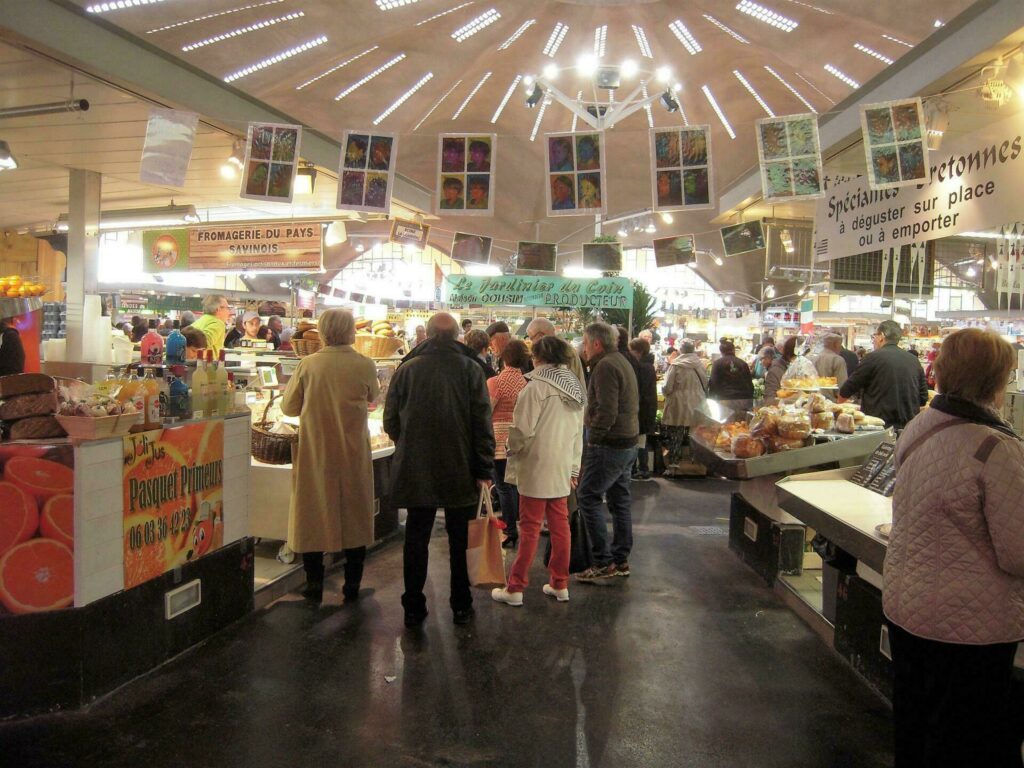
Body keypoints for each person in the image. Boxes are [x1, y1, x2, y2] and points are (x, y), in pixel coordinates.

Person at [883, 328, 1024, 767]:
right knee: (969, 741)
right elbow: (1017, 552)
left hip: (908, 608)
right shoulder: (995, 448)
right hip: (969, 626)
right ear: (995, 380)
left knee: (916, 727)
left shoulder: (919, 426)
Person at [384, 312, 495, 627]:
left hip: (416, 467)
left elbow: (390, 421)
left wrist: (409, 442)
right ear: (459, 335)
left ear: (428, 335)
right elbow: (481, 424)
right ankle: (461, 603)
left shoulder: (406, 369)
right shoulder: (471, 369)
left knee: (416, 537)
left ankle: (413, 606)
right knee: (460, 538)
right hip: (460, 466)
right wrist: (484, 467)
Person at [280, 309, 379, 604]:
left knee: (313, 515)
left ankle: (314, 585)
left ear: (322, 331)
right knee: (355, 516)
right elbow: (373, 396)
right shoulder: (364, 363)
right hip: (353, 451)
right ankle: (352, 584)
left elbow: (288, 408)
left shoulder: (308, 364)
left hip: (316, 451)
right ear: (351, 331)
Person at [491, 336, 586, 607]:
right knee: (560, 526)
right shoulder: (575, 389)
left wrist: (510, 447)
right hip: (561, 467)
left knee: (530, 527)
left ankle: (516, 587)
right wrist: (574, 468)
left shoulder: (535, 388)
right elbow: (577, 434)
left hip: (535, 466)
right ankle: (559, 583)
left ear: (539, 358)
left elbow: (522, 430)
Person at [574, 322, 639, 583]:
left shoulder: (605, 366)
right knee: (619, 499)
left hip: (610, 444)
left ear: (597, 344)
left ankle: (602, 561)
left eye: (586, 344)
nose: (584, 349)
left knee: (587, 495)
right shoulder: (621, 360)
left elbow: (607, 410)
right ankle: (620, 559)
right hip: (627, 442)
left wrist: (594, 440)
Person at [838, 320, 928, 429]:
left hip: (877, 428)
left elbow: (846, 390)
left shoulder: (872, 358)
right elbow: (923, 398)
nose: (873, 340)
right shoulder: (914, 360)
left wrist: (838, 407)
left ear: (881, 336)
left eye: (874, 336)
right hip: (908, 428)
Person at [487, 339, 530, 549]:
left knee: (503, 487)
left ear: (504, 358)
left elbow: (486, 412)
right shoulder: (526, 383)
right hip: (519, 440)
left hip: (498, 441)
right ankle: (516, 527)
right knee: (514, 487)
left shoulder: (495, 383)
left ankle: (509, 530)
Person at [660, 340, 708, 473]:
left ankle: (674, 464)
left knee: (677, 433)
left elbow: (667, 387)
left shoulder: (676, 365)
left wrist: (665, 392)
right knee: (695, 434)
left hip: (679, 403)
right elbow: (706, 383)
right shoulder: (700, 365)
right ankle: (696, 463)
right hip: (698, 402)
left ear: (681, 350)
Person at [628, 338, 658, 481]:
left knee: (639, 441)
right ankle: (640, 469)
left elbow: (639, 390)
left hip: (642, 410)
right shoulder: (648, 365)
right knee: (641, 440)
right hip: (647, 409)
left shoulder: (642, 367)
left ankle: (640, 469)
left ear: (638, 352)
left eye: (632, 350)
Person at [526, 317, 585, 387]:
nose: (532, 343)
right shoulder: (561, 346)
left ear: (540, 336)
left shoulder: (558, 351)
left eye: (532, 338)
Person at [708, 339, 754, 413]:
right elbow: (749, 383)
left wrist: (711, 400)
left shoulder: (717, 364)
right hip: (742, 399)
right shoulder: (743, 363)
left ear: (721, 352)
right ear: (733, 350)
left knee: (726, 422)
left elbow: (713, 383)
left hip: (724, 399)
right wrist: (749, 400)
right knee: (740, 422)